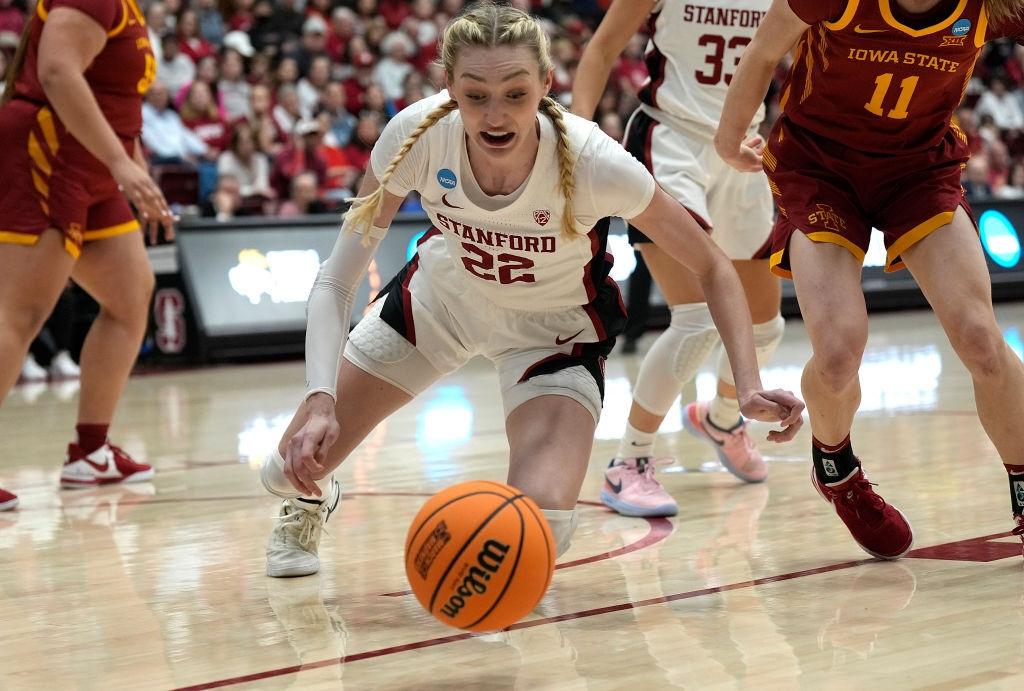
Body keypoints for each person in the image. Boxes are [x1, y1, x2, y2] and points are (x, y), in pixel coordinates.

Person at [258, 0, 803, 578]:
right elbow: (336, 280)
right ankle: (309, 501)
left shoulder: (595, 161)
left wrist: (746, 385)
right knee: (287, 468)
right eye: (476, 95)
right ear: (449, 87)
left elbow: (714, 266)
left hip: (553, 336)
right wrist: (320, 398)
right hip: (441, 304)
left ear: (546, 83)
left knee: (539, 529)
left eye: (515, 93)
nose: (496, 115)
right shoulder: (415, 136)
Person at [716, 0, 1024, 558]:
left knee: (980, 338)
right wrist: (729, 137)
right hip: (819, 168)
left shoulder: (990, 7)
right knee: (837, 352)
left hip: (918, 168)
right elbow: (763, 50)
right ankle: (836, 470)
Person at [571, 0, 784, 518]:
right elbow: (601, 49)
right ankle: (629, 462)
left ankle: (723, 419)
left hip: (742, 149)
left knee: (766, 326)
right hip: (670, 143)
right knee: (698, 319)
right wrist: (574, 143)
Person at [0, 0, 175, 509]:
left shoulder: (125, 7)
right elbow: (57, 72)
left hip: (90, 163)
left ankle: (90, 452)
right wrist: (121, 162)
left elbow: (112, 98)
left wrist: (135, 170)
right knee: (20, 313)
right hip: (49, 150)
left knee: (130, 297)